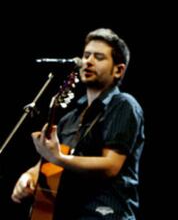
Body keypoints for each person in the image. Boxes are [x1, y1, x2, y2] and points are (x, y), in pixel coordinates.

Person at [11, 28, 145, 219]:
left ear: (118, 70)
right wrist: (29, 176)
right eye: (86, 55)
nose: (88, 61)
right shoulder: (69, 119)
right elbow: (49, 161)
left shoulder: (123, 104)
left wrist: (59, 158)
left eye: (99, 57)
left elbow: (111, 165)